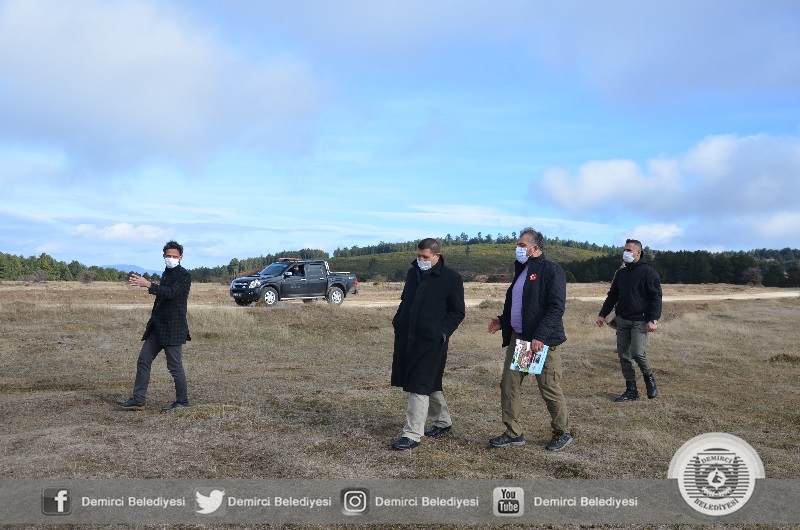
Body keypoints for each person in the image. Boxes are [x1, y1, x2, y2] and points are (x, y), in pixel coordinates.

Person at [487, 227, 573, 451]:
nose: (518, 248)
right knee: (510, 384)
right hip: (522, 339)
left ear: (535, 247)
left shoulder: (551, 270)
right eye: (518, 244)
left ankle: (562, 432)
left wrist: (540, 336)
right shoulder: (522, 270)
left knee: (548, 386)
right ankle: (513, 433)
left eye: (522, 245)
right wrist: (504, 321)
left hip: (542, 342)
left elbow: (556, 308)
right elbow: (522, 305)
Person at [390, 238, 465, 450]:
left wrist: (441, 332)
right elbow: (405, 301)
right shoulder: (412, 273)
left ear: (436, 256)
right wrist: (398, 320)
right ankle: (442, 422)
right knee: (428, 382)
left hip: (432, 341)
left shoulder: (451, 278)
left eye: (425, 257)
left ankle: (412, 434)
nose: (420, 260)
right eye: (418, 256)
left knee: (419, 383)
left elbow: (458, 311)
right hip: (408, 337)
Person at [116, 240, 192, 412]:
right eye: (168, 255)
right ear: (163, 256)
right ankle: (138, 400)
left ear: (181, 257)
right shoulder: (166, 273)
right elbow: (162, 295)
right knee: (144, 360)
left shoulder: (184, 276)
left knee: (175, 366)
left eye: (174, 256)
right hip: (158, 327)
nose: (171, 258)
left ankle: (182, 402)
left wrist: (149, 284)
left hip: (173, 328)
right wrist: (149, 286)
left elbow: (171, 293)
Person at [596, 239, 663, 401]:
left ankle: (649, 378)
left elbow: (656, 298)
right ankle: (631, 390)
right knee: (623, 355)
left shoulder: (649, 273)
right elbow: (612, 295)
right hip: (623, 320)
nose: (625, 253)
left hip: (641, 320)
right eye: (624, 250)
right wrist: (602, 314)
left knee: (637, 353)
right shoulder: (621, 274)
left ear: (638, 252)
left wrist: (653, 319)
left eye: (628, 250)